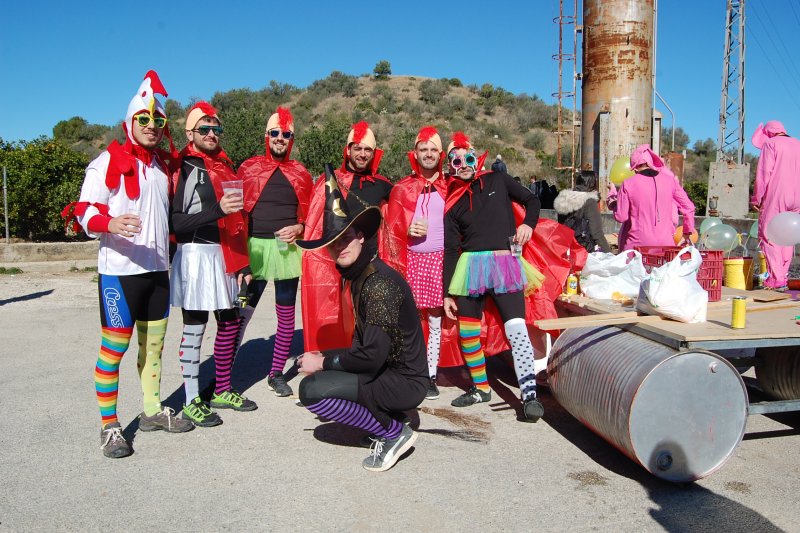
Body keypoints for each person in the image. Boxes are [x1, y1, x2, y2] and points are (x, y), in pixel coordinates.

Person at [63, 71, 192, 458]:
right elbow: (84, 212)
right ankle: (110, 426)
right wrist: (110, 223)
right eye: (144, 118)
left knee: (153, 350)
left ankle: (152, 411)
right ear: (130, 121)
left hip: (157, 272)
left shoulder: (159, 168)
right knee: (113, 351)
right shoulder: (106, 162)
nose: (152, 126)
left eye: (159, 120)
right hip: (120, 275)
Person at [296, 169, 426, 472]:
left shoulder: (378, 284)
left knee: (312, 392)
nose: (339, 247)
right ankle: (391, 417)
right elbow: (366, 347)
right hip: (389, 373)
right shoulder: (361, 275)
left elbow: (371, 356)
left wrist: (322, 363)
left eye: (346, 238)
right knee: (325, 379)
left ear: (361, 236)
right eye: (333, 242)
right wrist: (325, 358)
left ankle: (393, 433)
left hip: (404, 382)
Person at [442, 132, 546, 422]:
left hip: (504, 264)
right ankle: (481, 387)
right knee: (467, 333)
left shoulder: (498, 180)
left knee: (516, 329)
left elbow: (532, 200)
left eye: (468, 158)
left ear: (477, 159)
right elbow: (450, 249)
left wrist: (528, 224)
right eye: (456, 161)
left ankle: (529, 395)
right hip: (469, 269)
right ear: (450, 166)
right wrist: (447, 292)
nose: (464, 164)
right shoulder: (452, 202)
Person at [170, 102, 255, 426]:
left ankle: (221, 389)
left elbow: (235, 221)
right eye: (203, 128)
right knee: (195, 327)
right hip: (195, 255)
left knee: (230, 322)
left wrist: (242, 262)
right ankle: (191, 399)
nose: (210, 134)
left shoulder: (224, 167)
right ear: (190, 133)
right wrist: (218, 210)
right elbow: (177, 222)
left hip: (223, 255)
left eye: (215, 128)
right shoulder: (187, 166)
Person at [237, 107, 313, 396]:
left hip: (286, 251)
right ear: (266, 136)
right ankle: (224, 373)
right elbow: (235, 215)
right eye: (275, 133)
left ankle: (276, 373)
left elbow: (311, 215)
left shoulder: (301, 173)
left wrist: (300, 227)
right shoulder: (249, 168)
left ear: (292, 139)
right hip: (254, 249)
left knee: (286, 316)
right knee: (242, 313)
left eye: (286, 134)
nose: (280, 138)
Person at [301, 121, 393, 353]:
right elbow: (314, 220)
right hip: (338, 264)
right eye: (357, 148)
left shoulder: (382, 185)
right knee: (339, 317)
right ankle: (338, 358)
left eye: (367, 150)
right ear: (348, 150)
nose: (362, 154)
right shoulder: (330, 181)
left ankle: (367, 360)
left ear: (374, 153)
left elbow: (402, 212)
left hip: (370, 264)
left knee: (370, 320)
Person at [384, 126, 460, 400]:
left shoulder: (451, 186)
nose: (428, 154)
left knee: (436, 321)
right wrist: (406, 228)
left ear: (441, 154)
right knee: (409, 320)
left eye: (433, 150)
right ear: (414, 154)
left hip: (440, 261)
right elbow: (390, 229)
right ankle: (409, 370)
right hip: (412, 261)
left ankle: (430, 375)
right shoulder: (402, 188)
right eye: (423, 149)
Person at [612, 144, 696, 251]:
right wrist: (687, 233)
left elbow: (621, 217)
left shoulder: (628, 183)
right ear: (651, 163)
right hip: (666, 245)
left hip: (638, 245)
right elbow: (689, 207)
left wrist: (613, 203)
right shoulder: (670, 181)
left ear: (635, 167)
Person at [750, 120, 800, 291]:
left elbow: (763, 174)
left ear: (768, 133)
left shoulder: (771, 144)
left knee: (769, 235)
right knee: (788, 234)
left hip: (777, 194)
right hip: (798, 196)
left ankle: (777, 279)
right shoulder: (798, 143)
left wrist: (756, 199)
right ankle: (783, 277)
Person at [553, 173, 612, 253]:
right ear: (592, 184)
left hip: (564, 247)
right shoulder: (589, 202)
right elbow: (596, 233)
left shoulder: (564, 200)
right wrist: (609, 254)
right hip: (583, 250)